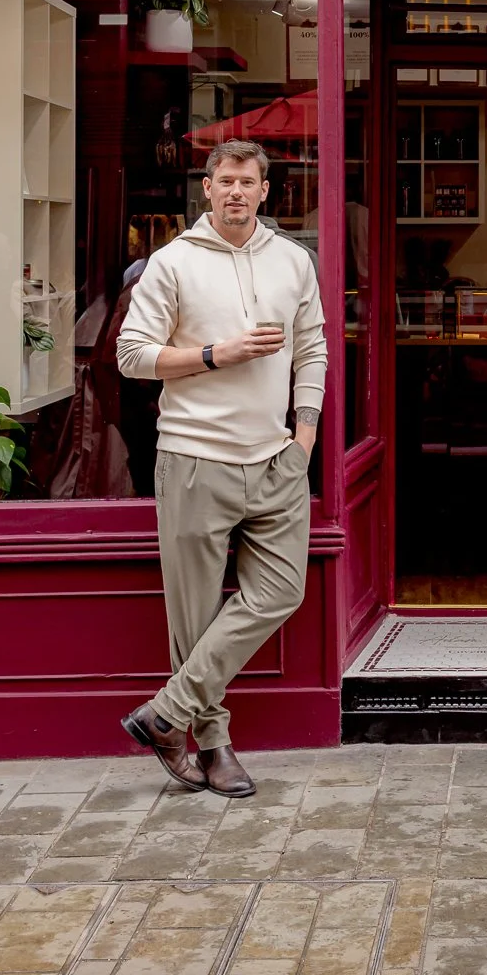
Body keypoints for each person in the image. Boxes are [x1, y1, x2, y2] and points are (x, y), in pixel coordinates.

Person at [116, 139, 327, 797]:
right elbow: (131, 356)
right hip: (193, 458)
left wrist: (304, 438)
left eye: (248, 182)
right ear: (205, 189)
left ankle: (165, 717)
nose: (236, 191)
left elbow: (312, 349)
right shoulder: (171, 264)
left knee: (280, 592)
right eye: (225, 181)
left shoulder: (294, 262)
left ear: (267, 192)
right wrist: (214, 354)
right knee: (195, 615)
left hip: (275, 461)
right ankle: (213, 744)